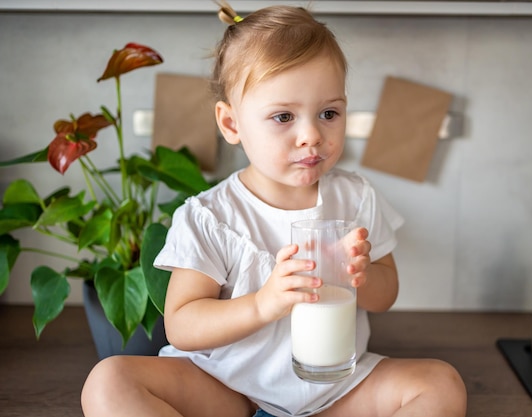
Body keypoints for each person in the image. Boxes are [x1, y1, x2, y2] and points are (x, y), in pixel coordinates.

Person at [81, 3, 467, 417]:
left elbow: (385, 294)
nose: (311, 136)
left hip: (334, 389)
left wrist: (364, 275)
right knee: (109, 382)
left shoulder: (355, 198)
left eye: (329, 113)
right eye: (283, 116)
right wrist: (263, 303)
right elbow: (182, 324)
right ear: (231, 124)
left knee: (441, 384)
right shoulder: (210, 216)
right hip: (228, 389)